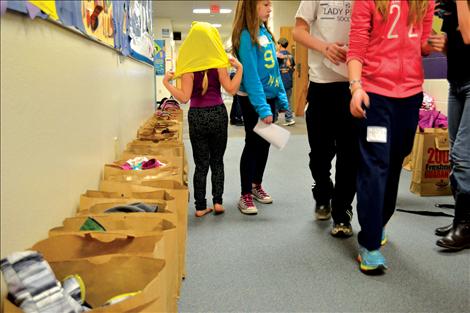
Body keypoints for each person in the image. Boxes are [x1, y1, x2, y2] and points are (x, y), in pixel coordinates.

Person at [347, 0, 440, 274]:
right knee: (375, 166)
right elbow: (357, 46)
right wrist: (356, 87)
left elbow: (421, 44)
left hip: (410, 96)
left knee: (396, 159)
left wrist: (433, 44)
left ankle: (379, 221)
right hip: (376, 94)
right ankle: (369, 242)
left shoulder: (425, 2)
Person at [163, 22, 243, 217]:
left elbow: (183, 98)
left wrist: (166, 82)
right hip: (217, 113)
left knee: (201, 164)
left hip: (197, 115)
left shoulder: (189, 68)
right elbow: (232, 90)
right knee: (217, 161)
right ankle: (218, 202)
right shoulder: (219, 65)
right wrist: (239, 68)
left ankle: (200, 206)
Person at [293, 1, 357, 237]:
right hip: (321, 85)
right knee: (320, 154)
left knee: (350, 156)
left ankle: (342, 212)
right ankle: (322, 191)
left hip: (353, 85)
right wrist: (324, 47)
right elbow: (298, 30)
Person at [231, 0, 290, 215]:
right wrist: (263, 108)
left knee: (265, 143)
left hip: (270, 98)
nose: (270, 8)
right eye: (265, 4)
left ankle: (257, 184)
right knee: (253, 143)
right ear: (251, 6)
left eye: (270, 4)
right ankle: (245, 194)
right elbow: (252, 75)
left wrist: (282, 98)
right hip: (254, 100)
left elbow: (274, 70)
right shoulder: (246, 36)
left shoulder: (266, 33)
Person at [434, 0, 470, 251]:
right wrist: (442, 45)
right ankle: (461, 218)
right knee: (454, 153)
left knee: (463, 157)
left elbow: (467, 36)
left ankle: (465, 225)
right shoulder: (449, 6)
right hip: (456, 82)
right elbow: (453, 45)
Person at [276, 37, 296, 126]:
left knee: (275, 100)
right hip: (288, 81)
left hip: (279, 81)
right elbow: (293, 68)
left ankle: (275, 118)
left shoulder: (277, 55)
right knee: (287, 100)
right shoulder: (290, 56)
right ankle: (289, 118)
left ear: (280, 44)